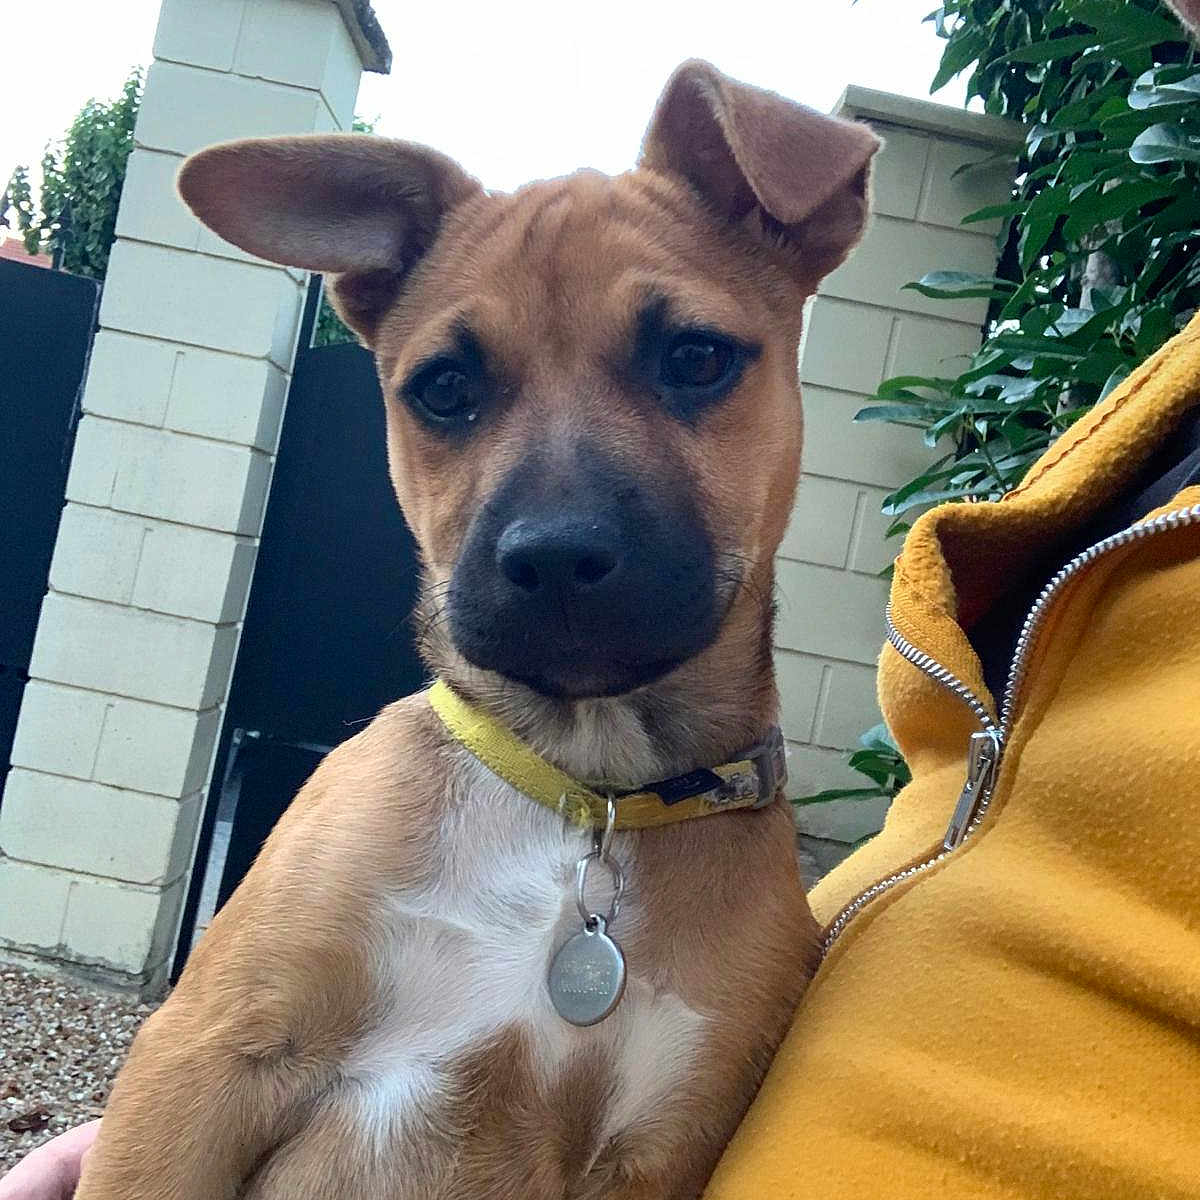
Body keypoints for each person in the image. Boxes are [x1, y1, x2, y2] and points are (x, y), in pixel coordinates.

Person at [5, 3, 1200, 1196]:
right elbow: (196, 1085)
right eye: (454, 395)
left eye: (688, 364)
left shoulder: (760, 931)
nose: (560, 520)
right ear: (369, 305)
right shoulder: (363, 821)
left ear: (793, 252)